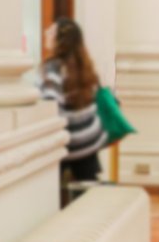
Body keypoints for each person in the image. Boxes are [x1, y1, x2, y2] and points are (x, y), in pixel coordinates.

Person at [40, 18, 108, 182]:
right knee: (88, 185)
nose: (45, 34)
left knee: (52, 187)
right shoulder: (84, 65)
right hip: (91, 138)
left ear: (60, 39)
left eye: (50, 31)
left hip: (70, 143)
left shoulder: (53, 68)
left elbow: (50, 105)